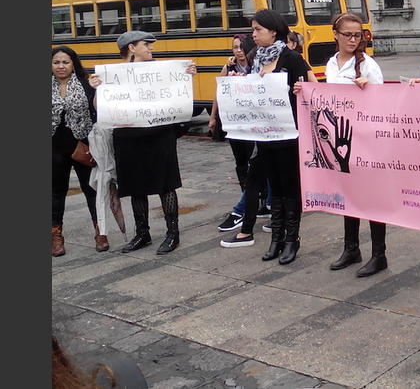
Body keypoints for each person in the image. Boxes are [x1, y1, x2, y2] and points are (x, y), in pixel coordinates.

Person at [88, 31, 197, 255]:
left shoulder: (162, 71)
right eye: (146, 44)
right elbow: (101, 108)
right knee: (135, 185)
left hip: (160, 135)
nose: (151, 48)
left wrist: (187, 76)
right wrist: (97, 89)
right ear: (131, 48)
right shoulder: (113, 75)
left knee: (166, 184)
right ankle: (142, 233)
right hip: (128, 137)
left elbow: (179, 96)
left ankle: (173, 233)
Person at [220, 10, 314, 267]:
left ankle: (292, 239)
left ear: (273, 31)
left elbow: (312, 90)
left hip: (289, 135)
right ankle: (277, 238)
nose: (253, 34)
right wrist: (238, 83)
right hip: (264, 135)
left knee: (289, 187)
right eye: (253, 29)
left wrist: (301, 89)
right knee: (275, 187)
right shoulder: (256, 59)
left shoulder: (292, 58)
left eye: (258, 29)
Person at [325, 12, 389, 277]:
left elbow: (384, 103)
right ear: (336, 35)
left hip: (368, 141)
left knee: (372, 197)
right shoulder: (331, 63)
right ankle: (351, 248)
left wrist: (368, 90)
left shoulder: (368, 65)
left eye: (357, 35)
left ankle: (379, 254)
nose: (353, 39)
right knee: (348, 195)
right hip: (342, 140)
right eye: (347, 34)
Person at [210, 34, 271, 233]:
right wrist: (213, 116)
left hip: (254, 123)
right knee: (242, 163)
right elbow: (219, 93)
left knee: (256, 164)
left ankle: (252, 205)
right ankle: (252, 199)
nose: (238, 51)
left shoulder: (256, 66)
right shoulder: (229, 67)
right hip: (235, 123)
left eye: (241, 47)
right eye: (234, 47)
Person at [51, 46, 106, 256]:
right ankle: (56, 236)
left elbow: (99, 108)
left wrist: (98, 90)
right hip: (54, 149)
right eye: (56, 62)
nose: (61, 66)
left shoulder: (86, 83)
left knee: (91, 189)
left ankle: (100, 232)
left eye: (65, 62)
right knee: (56, 193)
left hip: (83, 146)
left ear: (73, 64)